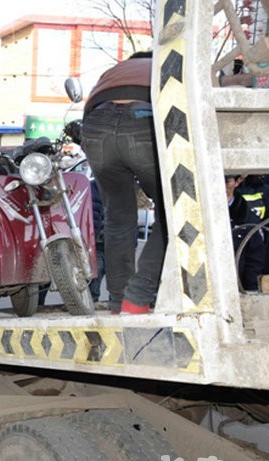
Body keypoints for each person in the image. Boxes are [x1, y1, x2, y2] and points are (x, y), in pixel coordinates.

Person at [81, 51, 165, 314]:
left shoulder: (117, 71)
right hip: (143, 118)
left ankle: (118, 301)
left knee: (118, 218)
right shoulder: (166, 63)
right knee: (173, 214)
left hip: (96, 125)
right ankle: (138, 298)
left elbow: (89, 109)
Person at [227, 175, 265, 291]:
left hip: (238, 289)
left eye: (226, 181)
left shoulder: (249, 218)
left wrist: (250, 291)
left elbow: (255, 259)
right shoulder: (195, 214)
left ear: (238, 181)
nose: (220, 184)